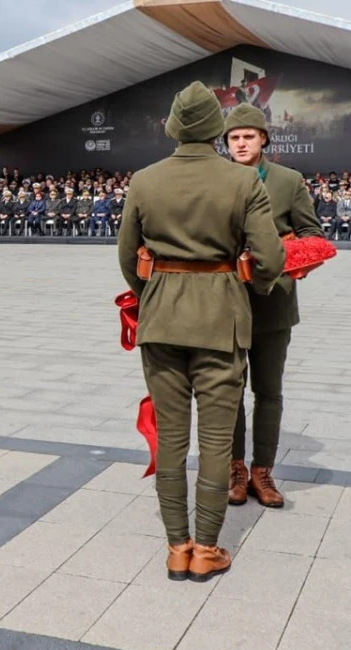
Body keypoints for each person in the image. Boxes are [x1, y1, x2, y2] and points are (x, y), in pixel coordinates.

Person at [117, 82, 284, 582]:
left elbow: (128, 257)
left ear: (172, 127)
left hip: (162, 318)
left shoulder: (144, 180)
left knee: (171, 437)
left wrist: (155, 290)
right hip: (221, 320)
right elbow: (270, 258)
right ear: (218, 129)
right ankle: (207, 548)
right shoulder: (242, 182)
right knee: (215, 441)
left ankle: (176, 546)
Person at [222, 103, 323, 509]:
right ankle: (235, 468)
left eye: (249, 136)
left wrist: (277, 259)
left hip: (273, 302)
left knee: (268, 391)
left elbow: (312, 236)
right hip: (225, 302)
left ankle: (263, 471)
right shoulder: (217, 178)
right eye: (234, 137)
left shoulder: (288, 181)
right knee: (228, 390)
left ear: (264, 138)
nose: (241, 143)